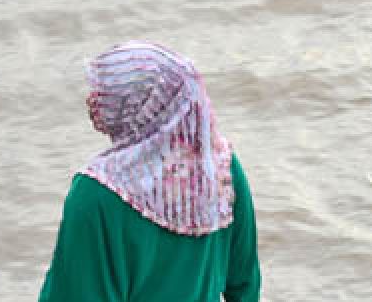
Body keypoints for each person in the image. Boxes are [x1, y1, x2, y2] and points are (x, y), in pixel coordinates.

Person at [39, 41, 261, 302]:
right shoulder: (221, 169)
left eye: (108, 93)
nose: (92, 101)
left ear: (145, 107)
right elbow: (245, 288)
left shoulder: (96, 194)